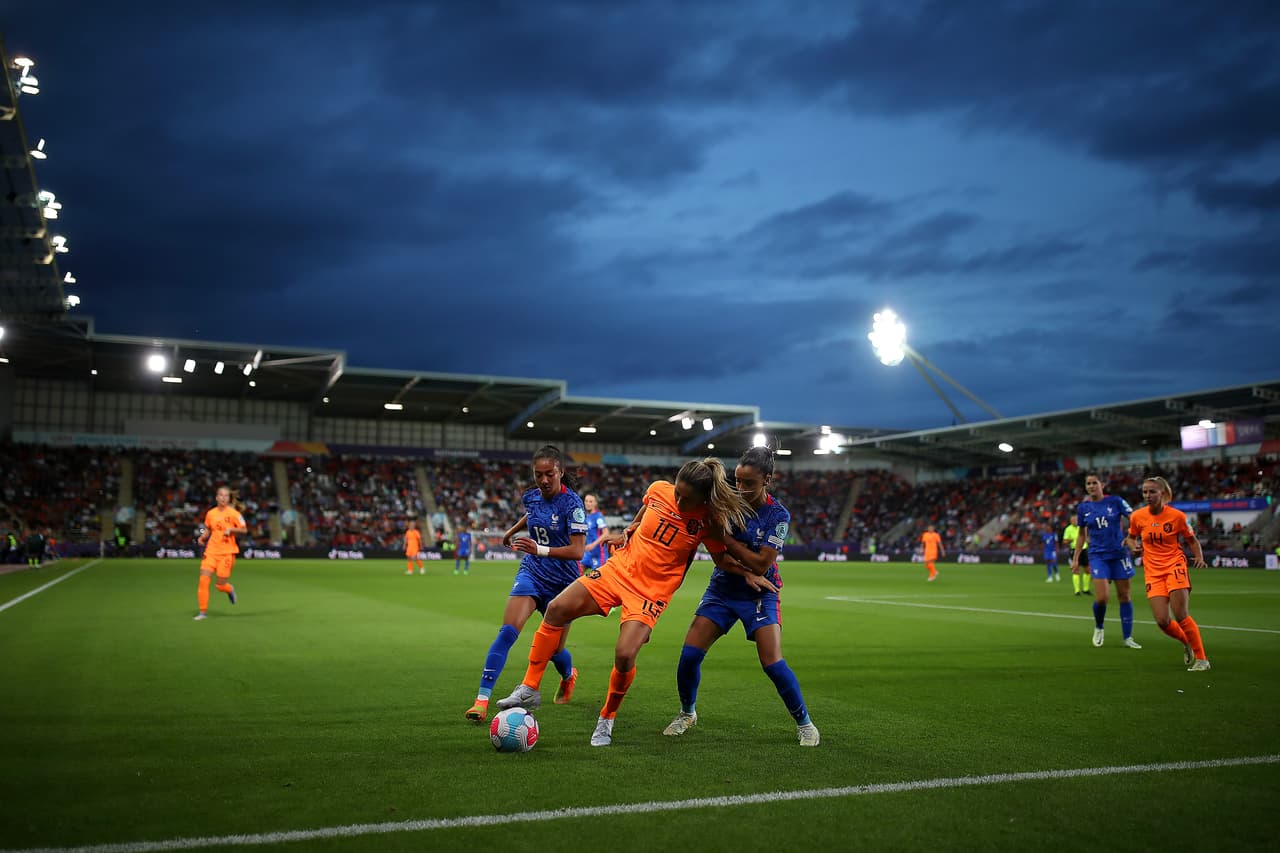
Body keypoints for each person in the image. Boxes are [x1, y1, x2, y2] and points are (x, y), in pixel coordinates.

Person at [496, 457, 748, 747]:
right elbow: (645, 509)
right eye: (677, 492)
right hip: (620, 569)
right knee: (556, 609)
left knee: (625, 655)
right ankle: (530, 687)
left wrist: (748, 574)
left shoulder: (709, 520)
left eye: (686, 498)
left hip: (650, 593)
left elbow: (721, 559)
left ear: (703, 498)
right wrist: (631, 527)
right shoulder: (658, 490)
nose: (678, 500)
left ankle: (607, 718)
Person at [663, 447, 820, 747]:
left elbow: (761, 563)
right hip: (723, 588)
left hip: (762, 592)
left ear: (768, 481)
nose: (741, 489)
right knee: (689, 657)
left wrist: (725, 538)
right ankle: (687, 713)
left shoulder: (778, 515)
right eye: (737, 481)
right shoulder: (725, 503)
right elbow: (718, 552)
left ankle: (805, 723)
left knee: (772, 663)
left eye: (749, 483)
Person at [464, 446, 586, 723]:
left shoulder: (573, 504)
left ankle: (569, 675)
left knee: (554, 651)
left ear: (560, 472)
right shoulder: (530, 497)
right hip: (532, 573)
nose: (543, 480)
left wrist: (539, 548)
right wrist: (511, 531)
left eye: (549, 474)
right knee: (507, 632)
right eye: (538, 474)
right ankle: (481, 701)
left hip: (564, 583)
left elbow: (578, 551)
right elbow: (533, 514)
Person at [1127, 476, 1211, 671]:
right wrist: (1134, 546)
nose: (1147, 495)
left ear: (1162, 494)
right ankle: (1186, 642)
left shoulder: (1177, 516)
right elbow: (1130, 538)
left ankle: (1202, 659)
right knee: (1162, 621)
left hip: (1175, 566)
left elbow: (1192, 540)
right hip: (1153, 572)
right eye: (1145, 492)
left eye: (1152, 491)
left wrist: (1199, 557)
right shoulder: (1137, 516)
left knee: (1180, 614)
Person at [1071, 473, 1138, 648]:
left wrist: (1132, 537)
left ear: (1102, 484)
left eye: (1095, 483)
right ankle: (1099, 626)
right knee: (1102, 597)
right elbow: (1080, 535)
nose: (1092, 486)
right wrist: (1076, 559)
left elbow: (1136, 518)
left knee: (1124, 595)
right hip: (1097, 555)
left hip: (1119, 554)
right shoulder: (1083, 508)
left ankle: (1127, 637)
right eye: (1088, 484)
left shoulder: (1115, 501)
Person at [194, 486, 247, 621]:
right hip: (211, 551)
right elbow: (207, 528)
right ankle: (203, 612)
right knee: (203, 580)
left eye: (226, 496)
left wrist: (231, 530)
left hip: (227, 553)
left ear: (229, 498)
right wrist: (202, 537)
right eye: (221, 495)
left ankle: (229, 589)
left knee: (220, 585)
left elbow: (244, 530)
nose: (223, 498)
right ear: (216, 497)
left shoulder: (234, 514)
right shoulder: (210, 513)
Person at [582, 493, 611, 571]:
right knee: (578, 570)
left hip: (599, 553)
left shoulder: (598, 517)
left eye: (591, 501)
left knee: (598, 579)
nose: (588, 503)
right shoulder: (586, 517)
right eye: (586, 501)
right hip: (588, 553)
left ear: (595, 503)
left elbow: (606, 533)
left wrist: (593, 545)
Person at [1063, 518, 1090, 595]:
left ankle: (1086, 589)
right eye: (1073, 520)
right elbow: (1064, 541)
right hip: (1074, 550)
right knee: (1076, 569)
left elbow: (1086, 537)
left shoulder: (1081, 527)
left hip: (1084, 549)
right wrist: (1070, 540)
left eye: (1076, 520)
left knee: (1087, 569)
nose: (1075, 521)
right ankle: (1077, 590)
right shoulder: (1068, 529)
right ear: (1071, 521)